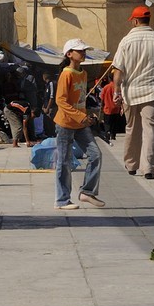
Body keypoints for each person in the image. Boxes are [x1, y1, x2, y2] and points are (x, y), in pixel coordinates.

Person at [111, 4, 154, 179]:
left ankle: (131, 165)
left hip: (130, 91)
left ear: (136, 21)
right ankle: (149, 169)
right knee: (151, 129)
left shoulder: (125, 41)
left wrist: (116, 91)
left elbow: (118, 71)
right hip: (152, 90)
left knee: (132, 128)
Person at [52, 39, 105, 210]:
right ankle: (61, 200)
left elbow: (80, 100)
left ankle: (87, 192)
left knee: (96, 154)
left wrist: (88, 115)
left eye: (84, 50)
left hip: (81, 124)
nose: (83, 53)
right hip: (65, 123)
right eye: (80, 51)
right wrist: (79, 116)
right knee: (64, 162)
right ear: (69, 54)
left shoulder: (83, 73)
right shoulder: (66, 74)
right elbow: (61, 101)